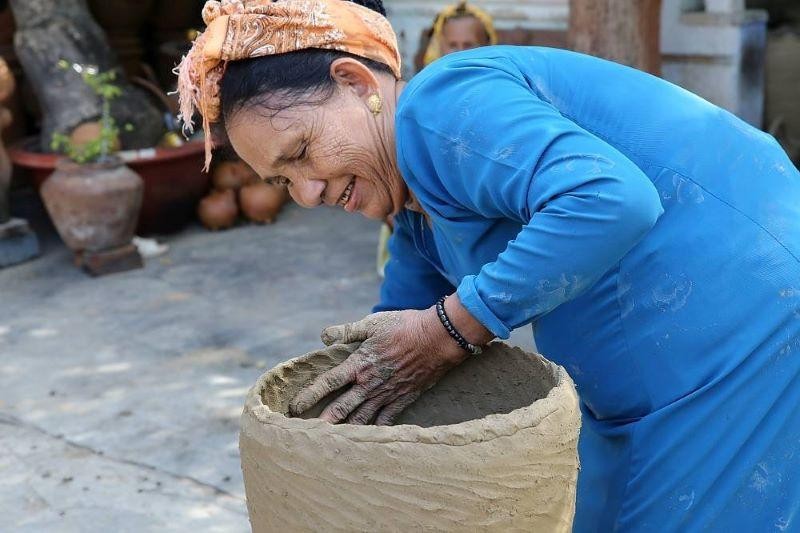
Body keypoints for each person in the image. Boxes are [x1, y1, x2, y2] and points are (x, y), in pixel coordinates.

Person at [178, 0, 800, 530]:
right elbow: (402, 318)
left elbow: (610, 198)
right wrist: (361, 396)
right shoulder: (415, 197)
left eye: (303, 152)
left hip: (745, 317)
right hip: (653, 368)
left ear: (359, 85)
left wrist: (454, 328)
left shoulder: (441, 106)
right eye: (281, 180)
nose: (308, 193)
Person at [379, 1, 498, 276]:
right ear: (440, 46)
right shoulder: (421, 95)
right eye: (452, 44)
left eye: (469, 44)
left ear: (486, 45)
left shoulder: (494, 92)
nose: (459, 52)